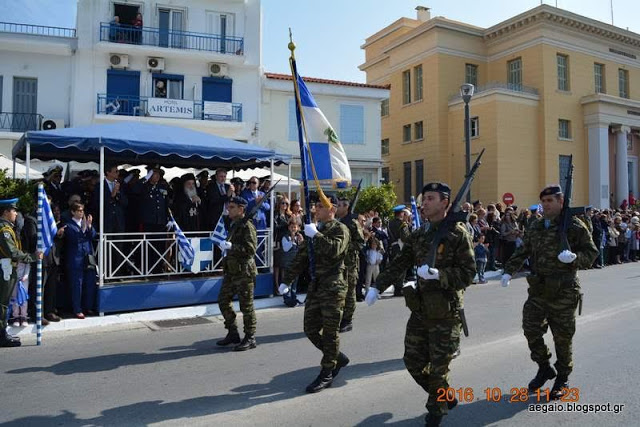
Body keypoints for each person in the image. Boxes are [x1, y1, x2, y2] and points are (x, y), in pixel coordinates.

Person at [365, 183, 476, 426]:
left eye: (430, 198)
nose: (423, 203)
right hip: (421, 310)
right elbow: (398, 263)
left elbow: (469, 273)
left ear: (445, 203)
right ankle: (444, 395)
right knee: (413, 362)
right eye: (423, 198)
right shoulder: (420, 233)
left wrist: (440, 275)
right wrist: (377, 286)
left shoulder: (458, 234)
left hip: (446, 313)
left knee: (438, 369)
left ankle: (436, 412)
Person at [501, 184, 598, 400]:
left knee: (562, 337)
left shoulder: (574, 225)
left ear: (561, 202)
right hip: (538, 289)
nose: (545, 205)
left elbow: (591, 252)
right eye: (543, 201)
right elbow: (523, 249)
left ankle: (562, 377)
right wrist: (508, 271)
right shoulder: (536, 225)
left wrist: (575, 259)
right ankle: (544, 367)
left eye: (550, 201)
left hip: (564, 289)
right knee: (530, 329)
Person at [279, 195, 351, 393]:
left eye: (321, 206)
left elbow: (334, 250)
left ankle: (327, 371)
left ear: (332, 209)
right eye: (316, 206)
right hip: (317, 286)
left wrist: (316, 236)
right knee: (310, 329)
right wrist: (286, 280)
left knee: (330, 332)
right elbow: (301, 258)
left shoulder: (340, 229)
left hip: (334, 287)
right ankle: (336, 355)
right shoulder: (314, 229)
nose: (316, 209)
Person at [216, 196, 258, 351]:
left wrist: (231, 246)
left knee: (246, 306)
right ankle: (233, 332)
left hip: (244, 272)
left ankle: (250, 337)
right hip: (232, 271)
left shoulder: (247, 226)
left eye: (232, 207)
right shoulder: (235, 224)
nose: (229, 209)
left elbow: (251, 250)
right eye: (229, 206)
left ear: (241, 209)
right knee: (223, 300)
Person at [0, 198, 43, 347]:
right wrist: (32, 257)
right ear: (6, 212)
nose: (16, 213)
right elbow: (12, 252)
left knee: (5, 303)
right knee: (3, 303)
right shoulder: (4, 230)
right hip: (4, 269)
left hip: (8, 268)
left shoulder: (8, 228)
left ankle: (3, 332)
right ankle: (1, 336)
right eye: (13, 210)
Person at [63, 202, 97, 319]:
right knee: (77, 285)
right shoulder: (68, 225)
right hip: (75, 260)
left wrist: (89, 226)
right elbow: (74, 238)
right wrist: (84, 228)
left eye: (82, 210)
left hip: (87, 258)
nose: (81, 212)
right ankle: (77, 309)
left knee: (89, 284)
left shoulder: (85, 223)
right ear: (73, 212)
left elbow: (92, 235)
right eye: (79, 211)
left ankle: (88, 307)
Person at [335, 197, 365, 333]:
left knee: (350, 293)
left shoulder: (353, 223)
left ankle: (347, 320)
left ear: (346, 207)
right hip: (338, 263)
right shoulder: (337, 222)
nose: (337, 207)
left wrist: (345, 246)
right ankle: (339, 318)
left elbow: (360, 243)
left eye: (340, 205)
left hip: (350, 264)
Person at [387, 205, 410, 296]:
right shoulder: (402, 224)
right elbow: (405, 237)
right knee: (401, 268)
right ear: (401, 213)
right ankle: (398, 288)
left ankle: (396, 287)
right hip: (400, 247)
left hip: (393, 247)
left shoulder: (390, 223)